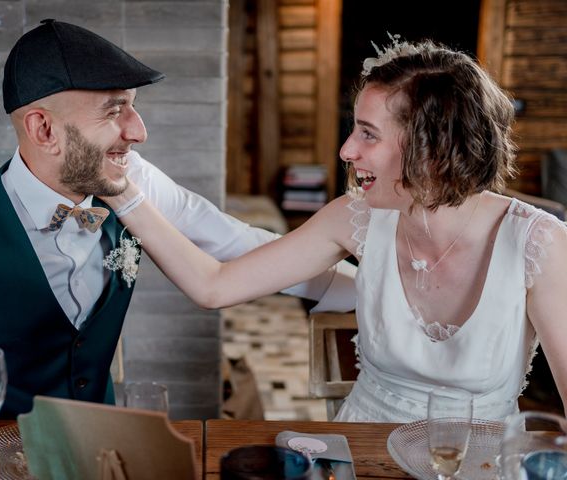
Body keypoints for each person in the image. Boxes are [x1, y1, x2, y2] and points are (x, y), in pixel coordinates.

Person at [102, 37, 567, 422]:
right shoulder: (355, 216)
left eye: (368, 133)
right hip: (357, 455)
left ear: (433, 148)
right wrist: (123, 193)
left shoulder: (538, 243)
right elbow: (214, 285)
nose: (346, 150)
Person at [0, 19, 356, 419]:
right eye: (115, 111)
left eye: (133, 107)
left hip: (108, 453)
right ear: (44, 130)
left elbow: (242, 247)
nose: (138, 131)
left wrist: (375, 294)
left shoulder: (131, 181)